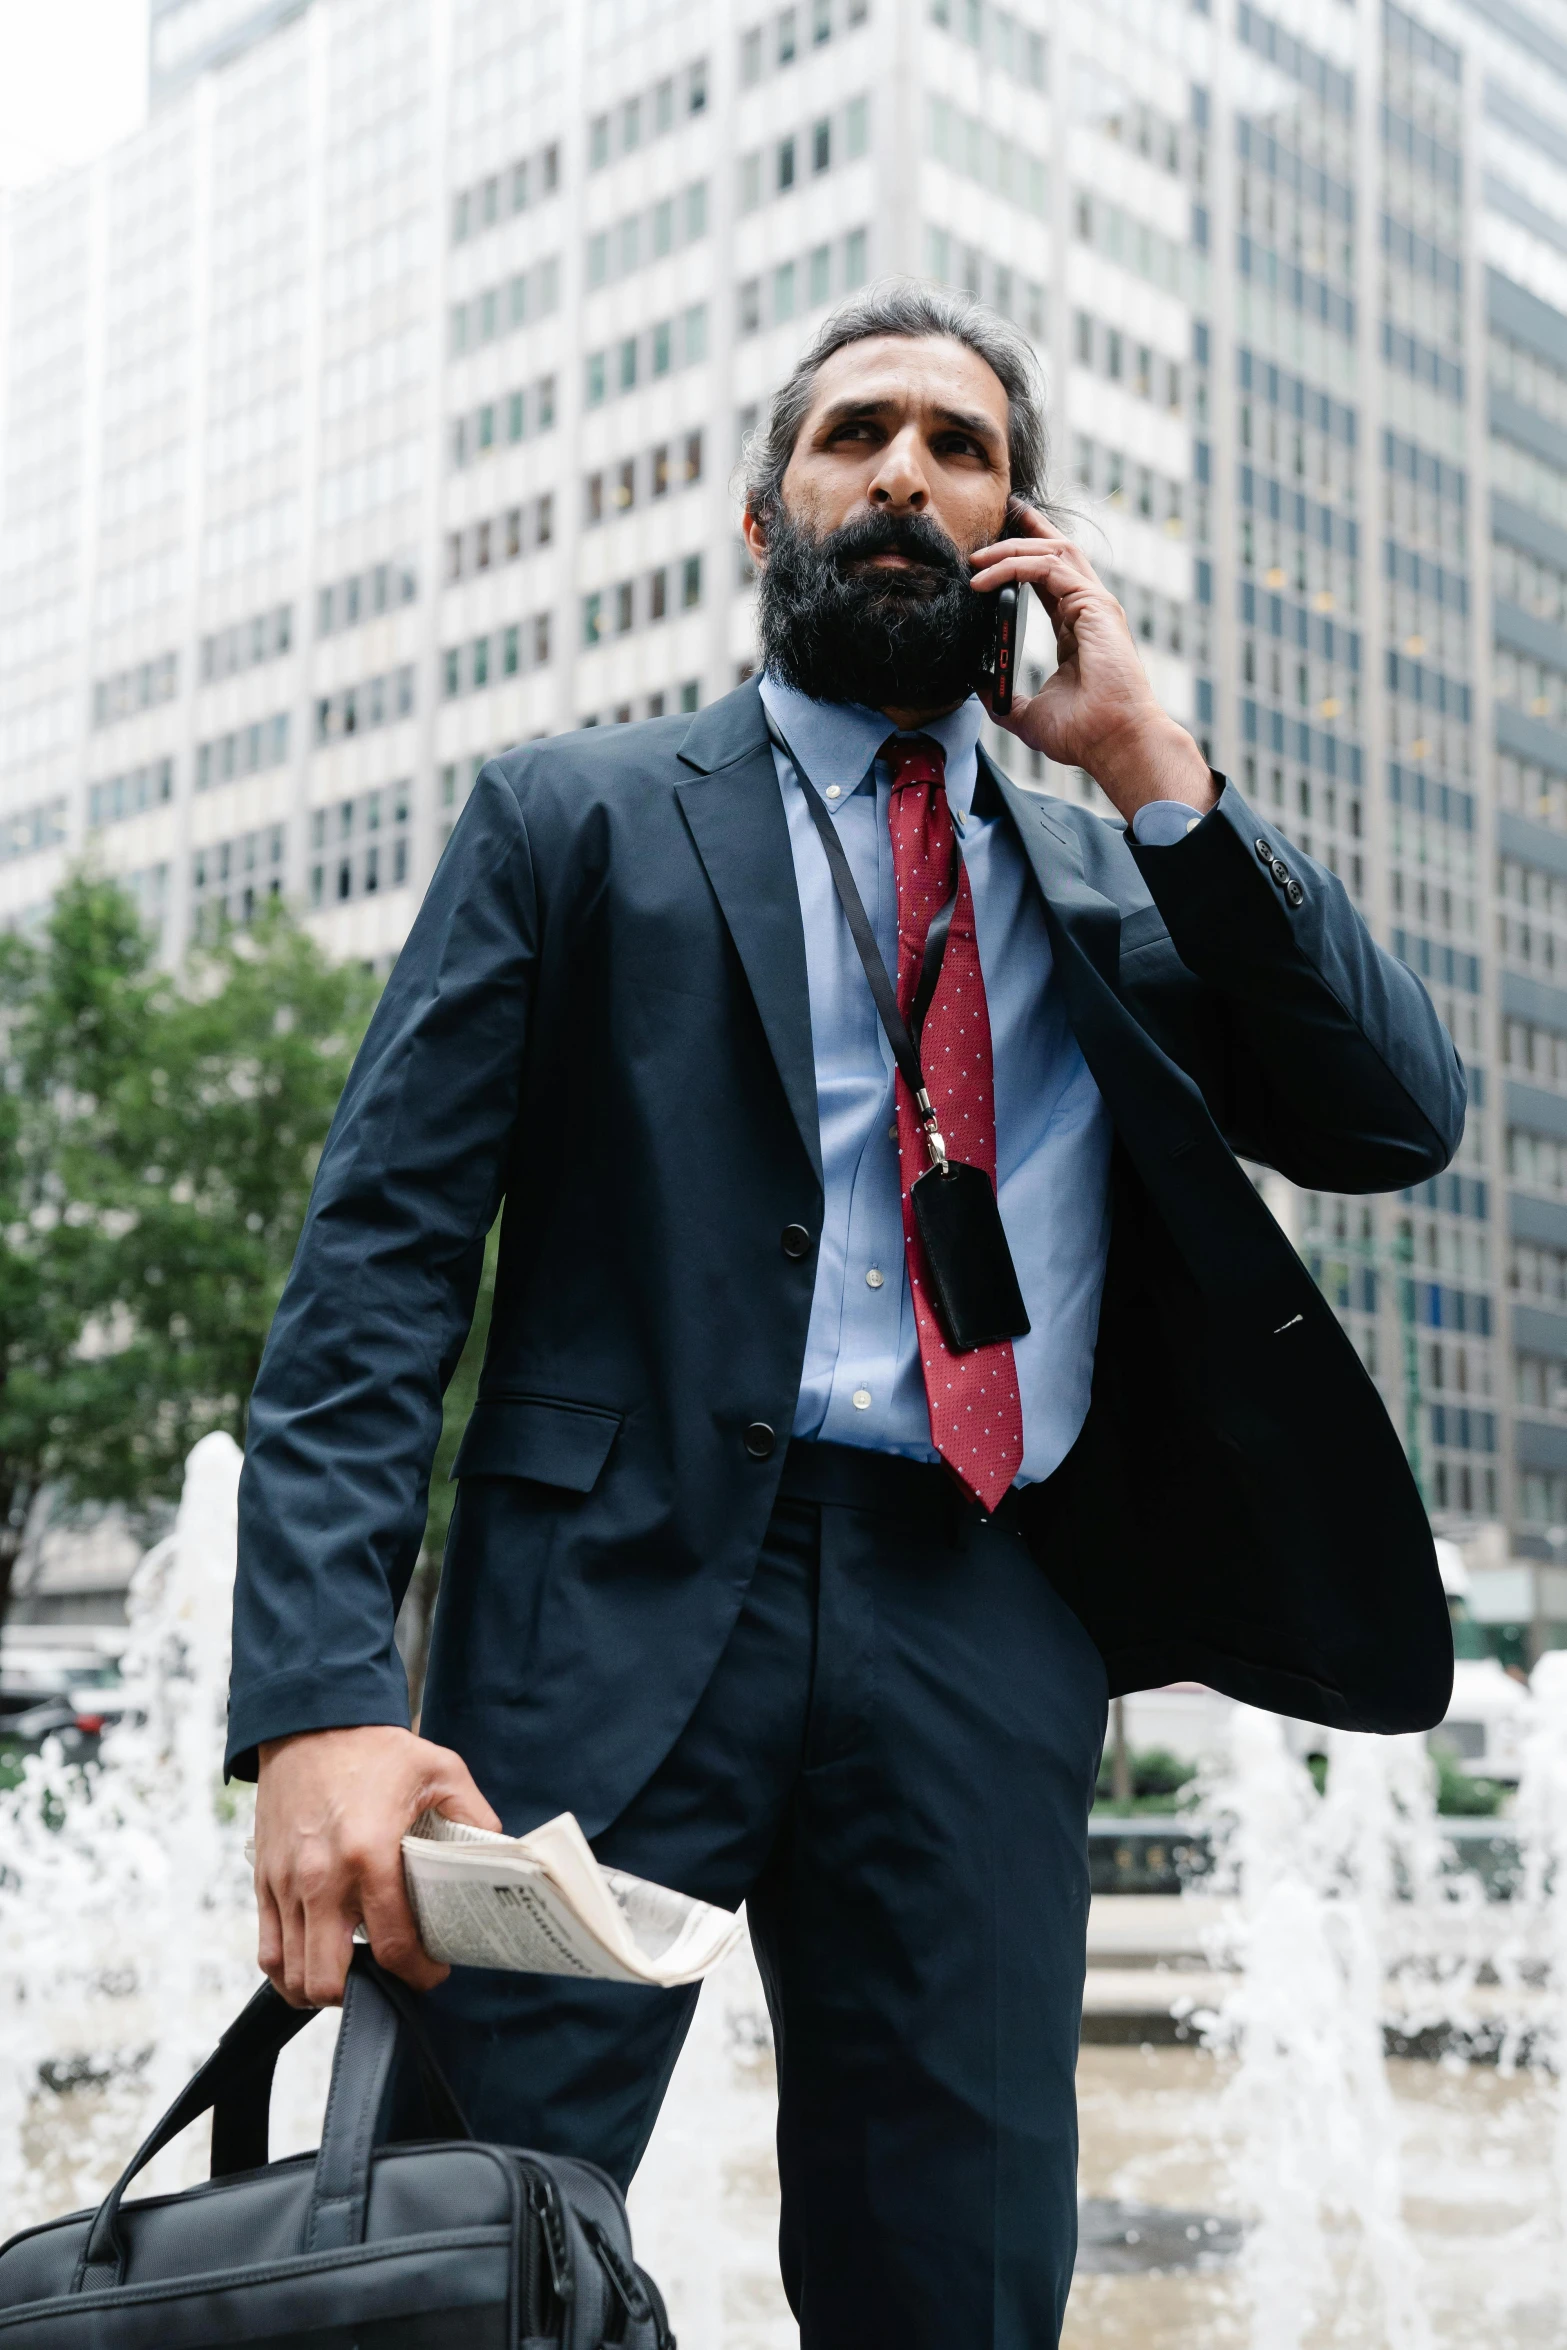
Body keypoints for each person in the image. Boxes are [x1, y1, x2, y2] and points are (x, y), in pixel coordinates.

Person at [231, 283, 1463, 2346]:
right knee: (458, 2251)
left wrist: (1158, 763)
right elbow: (376, 1264)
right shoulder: (572, 818)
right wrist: (320, 1698)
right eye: (857, 433)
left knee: (961, 2275)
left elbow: (1395, 1108)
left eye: (962, 445)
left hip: (982, 1608)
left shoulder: (1116, 890)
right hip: (600, 1600)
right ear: (761, 522)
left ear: (1014, 541)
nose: (907, 466)